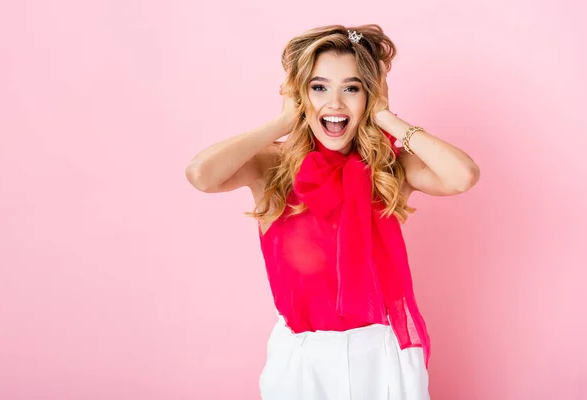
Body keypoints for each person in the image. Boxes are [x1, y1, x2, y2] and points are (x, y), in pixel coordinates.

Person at [186, 24, 480, 400]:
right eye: (319, 87)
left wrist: (388, 118)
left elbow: (463, 176)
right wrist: (282, 122)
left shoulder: (388, 167)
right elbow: (201, 175)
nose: (335, 104)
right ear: (300, 94)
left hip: (380, 356)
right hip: (302, 360)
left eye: (352, 88)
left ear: (369, 96)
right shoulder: (272, 166)